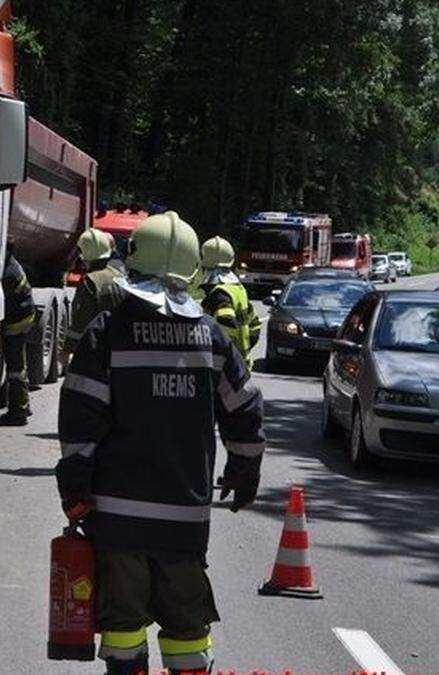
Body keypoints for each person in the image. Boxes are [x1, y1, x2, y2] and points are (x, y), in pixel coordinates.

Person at [55, 212, 265, 674]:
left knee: (124, 627)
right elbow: (245, 409)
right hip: (184, 519)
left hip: (117, 515)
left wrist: (74, 489)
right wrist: (244, 472)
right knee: (187, 631)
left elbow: (78, 419)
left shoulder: (108, 332)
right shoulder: (209, 337)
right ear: (193, 273)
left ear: (133, 262)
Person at [199, 236, 260, 369]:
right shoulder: (238, 289)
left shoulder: (219, 294)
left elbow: (225, 331)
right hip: (241, 366)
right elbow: (255, 326)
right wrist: (243, 350)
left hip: (224, 369)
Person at [64, 230, 126, 361]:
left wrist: (67, 350)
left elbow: (81, 319)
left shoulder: (91, 281)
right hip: (121, 346)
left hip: (97, 348)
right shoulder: (122, 276)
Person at [0, 250, 36, 426]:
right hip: (23, 314)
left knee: (15, 367)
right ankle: (24, 404)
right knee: (18, 365)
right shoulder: (9, 262)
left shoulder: (7, 272)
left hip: (17, 320)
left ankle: (18, 412)